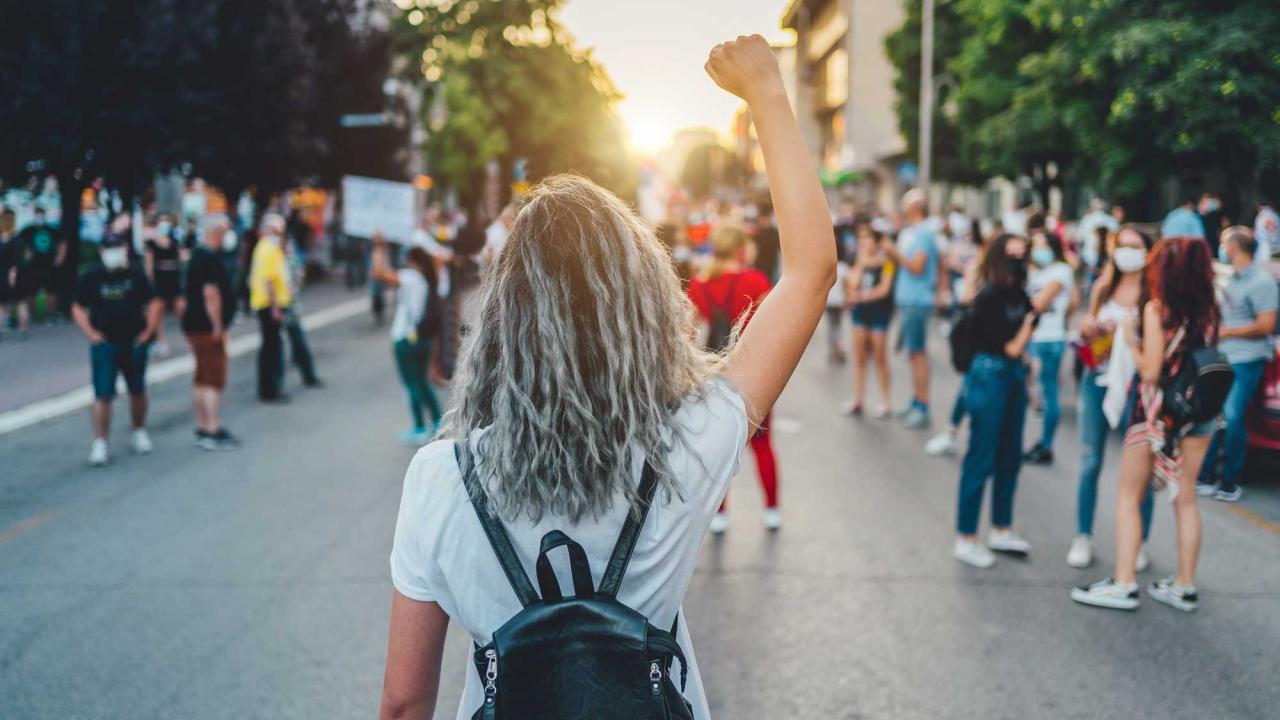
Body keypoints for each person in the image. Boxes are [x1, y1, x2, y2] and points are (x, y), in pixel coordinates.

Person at [379, 35, 836, 720]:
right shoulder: (687, 444)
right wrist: (768, 94)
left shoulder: (440, 477)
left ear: (503, 318)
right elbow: (809, 273)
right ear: (644, 308)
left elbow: (404, 703)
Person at [1072, 237, 1220, 612]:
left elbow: (1151, 371)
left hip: (1157, 415)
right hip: (1199, 412)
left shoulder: (1157, 309)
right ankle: (1184, 585)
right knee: (1185, 498)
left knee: (1129, 495)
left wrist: (1131, 341)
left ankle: (1123, 584)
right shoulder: (1210, 310)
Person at [1069, 225, 1157, 569]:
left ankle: (1139, 542)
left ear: (1148, 252)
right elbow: (1086, 326)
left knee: (1139, 469)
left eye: (1135, 246)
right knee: (1090, 461)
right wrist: (1089, 327)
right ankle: (1083, 536)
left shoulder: (1154, 293)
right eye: (1122, 245)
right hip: (1097, 378)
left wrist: (1130, 336)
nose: (1127, 252)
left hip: (1137, 386)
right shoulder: (1103, 287)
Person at [688, 222, 780, 533]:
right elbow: (773, 330)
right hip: (756, 374)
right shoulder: (756, 280)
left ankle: (720, 514)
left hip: (714, 376)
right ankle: (771, 509)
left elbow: (690, 336)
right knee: (763, 445)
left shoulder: (699, 285)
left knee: (718, 449)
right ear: (741, 249)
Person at [951, 234, 1036, 567]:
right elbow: (1012, 346)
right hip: (989, 376)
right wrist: (1030, 325)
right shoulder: (987, 296)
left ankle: (1001, 528)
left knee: (1010, 456)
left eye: (1022, 254)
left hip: (1012, 376)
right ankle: (966, 537)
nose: (1018, 260)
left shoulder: (1018, 292)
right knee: (981, 456)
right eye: (1011, 254)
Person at [1196, 227, 1278, 502]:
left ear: (1233, 247)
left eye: (1223, 243)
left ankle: (1230, 481)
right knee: (1213, 415)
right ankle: (1206, 476)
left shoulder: (1262, 282)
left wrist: (1228, 332)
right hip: (1223, 356)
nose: (1220, 248)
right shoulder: (1231, 279)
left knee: (1232, 415)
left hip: (1247, 358)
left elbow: (1266, 325)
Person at [70, 235, 161, 466]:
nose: (114, 252)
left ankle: (139, 431)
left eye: (117, 247)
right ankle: (100, 442)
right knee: (103, 394)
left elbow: (154, 302)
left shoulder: (136, 275)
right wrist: (90, 333)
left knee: (137, 389)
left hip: (134, 341)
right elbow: (77, 306)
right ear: (101, 251)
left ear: (125, 248)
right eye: (109, 248)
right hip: (105, 343)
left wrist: (148, 332)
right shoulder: (91, 276)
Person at [371, 236, 444, 445]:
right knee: (423, 383)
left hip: (405, 338)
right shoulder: (428, 280)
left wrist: (378, 247)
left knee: (411, 385)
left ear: (413, 261)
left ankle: (419, 428)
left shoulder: (411, 278)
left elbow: (378, 273)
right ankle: (438, 423)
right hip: (423, 339)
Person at [924, 225, 985, 457]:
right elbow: (967, 298)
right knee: (968, 386)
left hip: (1003, 350)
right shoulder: (978, 268)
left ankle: (958, 433)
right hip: (979, 341)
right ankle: (952, 432)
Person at [881, 189, 939, 428]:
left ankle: (922, 406)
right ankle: (916, 401)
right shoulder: (913, 232)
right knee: (913, 354)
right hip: (909, 300)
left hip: (917, 301)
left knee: (917, 354)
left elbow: (917, 267)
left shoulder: (924, 233)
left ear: (915, 207)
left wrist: (894, 253)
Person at [183, 216, 240, 451]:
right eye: (225, 231)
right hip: (206, 328)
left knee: (201, 375)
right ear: (216, 231)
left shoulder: (198, 256)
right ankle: (212, 428)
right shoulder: (209, 259)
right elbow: (211, 295)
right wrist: (218, 326)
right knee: (213, 378)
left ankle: (202, 425)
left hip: (194, 325)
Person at [1023, 230, 1074, 464]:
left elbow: (1039, 303)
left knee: (1049, 391)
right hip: (1034, 336)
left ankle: (1046, 444)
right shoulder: (1035, 272)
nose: (1039, 249)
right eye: (1035, 245)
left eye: (1043, 244)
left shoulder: (1060, 271)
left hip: (1049, 338)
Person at [846, 223, 895, 417]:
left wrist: (861, 296)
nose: (864, 242)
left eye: (867, 238)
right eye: (861, 238)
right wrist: (861, 263)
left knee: (880, 357)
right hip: (860, 313)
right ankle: (857, 399)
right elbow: (853, 283)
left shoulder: (888, 262)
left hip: (879, 313)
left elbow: (885, 289)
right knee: (859, 357)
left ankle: (885, 401)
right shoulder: (859, 259)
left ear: (876, 241)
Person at [249, 213, 297, 401]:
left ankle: (270, 388)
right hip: (269, 305)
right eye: (278, 231)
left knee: (272, 347)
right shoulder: (267, 249)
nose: (280, 234)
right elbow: (268, 280)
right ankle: (270, 390)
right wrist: (275, 307)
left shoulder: (268, 248)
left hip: (270, 304)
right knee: (272, 349)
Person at [143, 213, 184, 356]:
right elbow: (148, 263)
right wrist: (150, 281)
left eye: (167, 221)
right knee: (157, 311)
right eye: (161, 221)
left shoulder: (174, 240)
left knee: (181, 307)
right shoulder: (151, 243)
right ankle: (159, 342)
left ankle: (191, 337)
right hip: (159, 279)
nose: (164, 223)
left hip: (173, 278)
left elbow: (181, 257)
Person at [18, 207, 65, 324]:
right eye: (37, 214)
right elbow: (18, 244)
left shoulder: (51, 230)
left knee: (51, 291)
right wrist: (24, 256)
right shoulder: (27, 230)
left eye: (41, 214)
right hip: (32, 266)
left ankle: (51, 315)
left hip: (49, 265)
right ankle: (31, 315)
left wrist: (60, 257)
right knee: (31, 292)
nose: (40, 217)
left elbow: (63, 242)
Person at [0, 208, 31, 339]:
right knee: (20, 303)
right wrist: (13, 274)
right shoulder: (17, 240)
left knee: (2, 305)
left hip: (2, 275)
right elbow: (19, 260)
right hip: (16, 275)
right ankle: (22, 331)